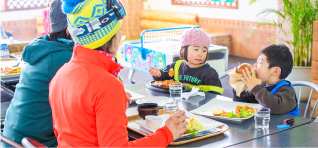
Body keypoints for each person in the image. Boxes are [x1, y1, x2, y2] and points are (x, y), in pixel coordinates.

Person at [49, 0, 187, 147]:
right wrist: (167, 133)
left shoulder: (59, 76)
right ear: (108, 38)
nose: (121, 34)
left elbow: (65, 132)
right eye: (118, 29)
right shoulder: (107, 85)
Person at [3, 0, 74, 147]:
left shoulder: (45, 47)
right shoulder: (63, 58)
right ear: (69, 30)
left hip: (13, 139)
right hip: (35, 142)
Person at [149, 27, 224, 94]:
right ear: (184, 50)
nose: (200, 54)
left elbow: (215, 97)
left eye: (204, 50)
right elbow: (164, 78)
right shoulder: (176, 67)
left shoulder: (210, 74)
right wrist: (158, 74)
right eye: (196, 49)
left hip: (199, 107)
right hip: (178, 105)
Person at [233, 44, 299, 116]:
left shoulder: (287, 92)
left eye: (260, 63)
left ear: (275, 71)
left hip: (286, 127)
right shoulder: (262, 87)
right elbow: (244, 104)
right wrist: (239, 88)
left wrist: (255, 88)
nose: (254, 65)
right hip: (264, 126)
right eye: (256, 62)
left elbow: (274, 106)